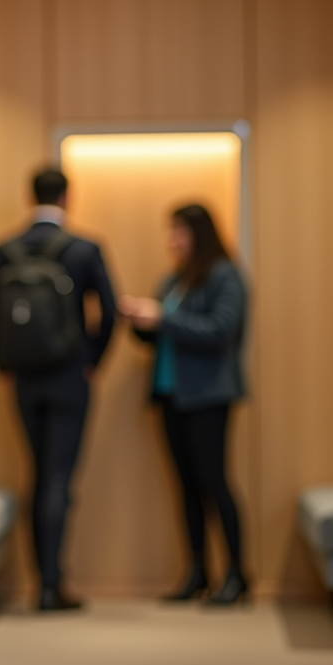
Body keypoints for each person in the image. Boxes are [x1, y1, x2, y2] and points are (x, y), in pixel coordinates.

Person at [0, 167, 116, 612]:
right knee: (58, 477)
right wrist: (92, 361)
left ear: (29, 196)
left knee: (37, 474)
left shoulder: (5, 249)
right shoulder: (84, 248)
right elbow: (110, 313)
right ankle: (52, 586)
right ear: (67, 199)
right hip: (69, 377)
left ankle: (40, 583)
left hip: (24, 379)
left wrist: (5, 364)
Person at [118, 203, 249, 605]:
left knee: (215, 483)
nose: (171, 240)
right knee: (187, 488)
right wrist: (141, 321)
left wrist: (162, 319)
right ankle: (197, 572)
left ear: (200, 233)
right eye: (169, 231)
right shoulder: (173, 280)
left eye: (179, 231)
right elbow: (163, 336)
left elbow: (220, 331)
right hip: (171, 395)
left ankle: (236, 576)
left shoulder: (226, 275)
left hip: (208, 396)